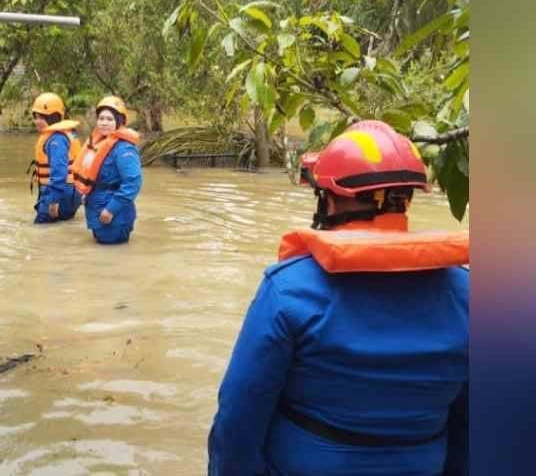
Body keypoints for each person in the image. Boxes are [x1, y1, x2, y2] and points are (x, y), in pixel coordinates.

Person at [207, 120, 469, 476]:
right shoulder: (468, 295)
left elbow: (238, 419)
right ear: (405, 200)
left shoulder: (288, 289)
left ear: (330, 200)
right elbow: (471, 426)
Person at [73, 96, 143, 244]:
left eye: (110, 119)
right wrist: (87, 193)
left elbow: (133, 183)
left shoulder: (124, 148)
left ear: (119, 121)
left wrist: (111, 209)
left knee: (112, 254)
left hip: (114, 214)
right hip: (96, 207)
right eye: (101, 118)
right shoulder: (99, 143)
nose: (104, 123)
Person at [29, 92, 83, 224]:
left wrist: (53, 201)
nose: (37, 121)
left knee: (40, 229)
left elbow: (59, 173)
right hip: (69, 192)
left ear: (54, 117)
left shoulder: (56, 139)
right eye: (36, 117)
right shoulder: (64, 134)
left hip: (60, 192)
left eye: (42, 117)